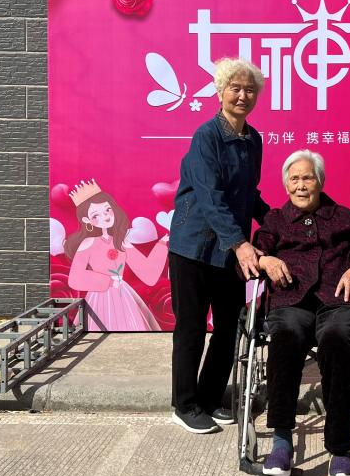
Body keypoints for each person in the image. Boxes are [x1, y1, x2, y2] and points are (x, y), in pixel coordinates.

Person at [254, 150, 350, 476]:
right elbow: (254, 256)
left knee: (338, 339)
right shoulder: (275, 220)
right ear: (286, 184)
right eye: (294, 179)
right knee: (286, 336)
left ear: (320, 182)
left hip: (340, 300)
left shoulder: (341, 216)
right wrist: (266, 261)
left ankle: (340, 450)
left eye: (308, 178)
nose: (301, 185)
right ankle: (281, 441)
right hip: (291, 301)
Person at [169, 58, 269, 434]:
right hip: (193, 248)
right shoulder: (206, 137)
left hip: (228, 250)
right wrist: (241, 244)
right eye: (235, 88)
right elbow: (211, 197)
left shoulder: (253, 140)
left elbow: (248, 194)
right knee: (192, 328)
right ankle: (184, 404)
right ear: (220, 91)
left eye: (249, 90)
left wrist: (278, 222)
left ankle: (210, 397)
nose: (242, 96)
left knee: (229, 327)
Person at [65, 182, 167, 331]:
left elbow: (147, 272)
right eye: (96, 215)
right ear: (87, 220)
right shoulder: (88, 243)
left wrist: (162, 244)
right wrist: (109, 281)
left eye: (107, 210)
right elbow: (75, 278)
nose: (105, 216)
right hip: (99, 296)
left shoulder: (121, 241)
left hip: (123, 294)